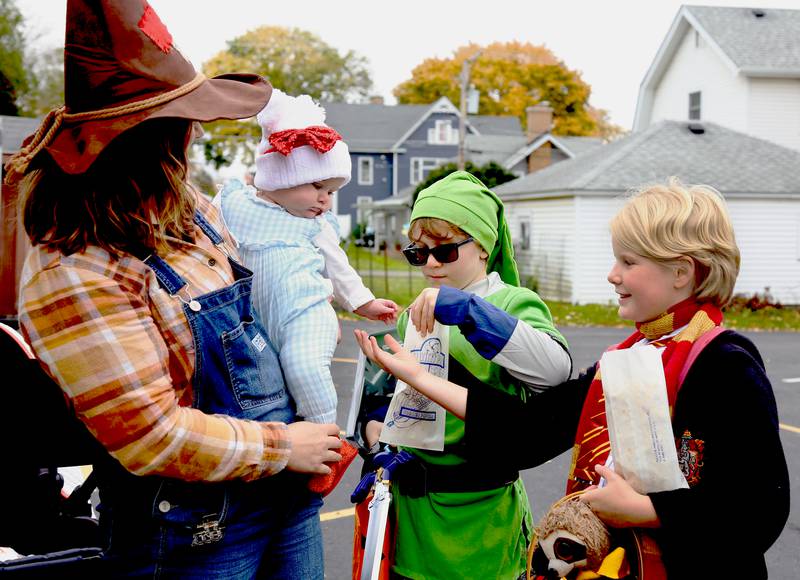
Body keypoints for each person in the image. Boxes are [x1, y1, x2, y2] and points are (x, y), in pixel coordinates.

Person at [7, 1, 343, 577]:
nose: (193, 135)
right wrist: (288, 447)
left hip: (282, 495)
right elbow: (151, 435)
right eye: (185, 121)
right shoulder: (73, 269)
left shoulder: (191, 212)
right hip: (193, 528)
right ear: (149, 142)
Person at [356, 178, 790, 579]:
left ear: (682, 272)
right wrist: (419, 376)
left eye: (629, 261)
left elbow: (760, 509)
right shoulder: (628, 357)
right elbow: (529, 432)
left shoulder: (724, 364)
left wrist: (648, 509)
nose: (612, 274)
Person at [356, 171, 572, 579]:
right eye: (418, 254)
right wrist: (377, 433)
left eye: (446, 251)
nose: (431, 264)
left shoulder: (511, 301)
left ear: (484, 246)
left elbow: (555, 371)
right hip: (414, 518)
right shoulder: (413, 315)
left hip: (481, 517)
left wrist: (471, 312)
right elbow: (403, 400)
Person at [216, 88, 398, 425]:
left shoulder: (315, 223)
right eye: (316, 186)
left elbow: (338, 265)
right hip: (250, 316)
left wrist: (362, 302)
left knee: (305, 366)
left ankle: (325, 433)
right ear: (281, 176)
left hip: (303, 308)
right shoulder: (233, 204)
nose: (325, 200)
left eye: (330, 191)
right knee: (254, 382)